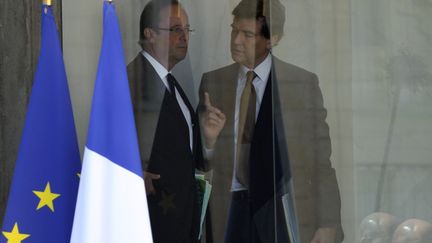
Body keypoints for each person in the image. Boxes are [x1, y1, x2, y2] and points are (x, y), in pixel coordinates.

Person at [198, 0, 343, 242]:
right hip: (227, 212)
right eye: (234, 30)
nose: (236, 41)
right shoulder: (213, 82)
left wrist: (328, 223)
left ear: (272, 39)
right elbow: (198, 164)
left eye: (247, 34)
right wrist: (209, 143)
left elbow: (321, 161)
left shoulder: (300, 85)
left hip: (281, 212)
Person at [127, 1, 207, 242]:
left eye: (187, 30)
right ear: (149, 34)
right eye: (175, 29)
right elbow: (108, 144)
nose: (184, 37)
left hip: (183, 223)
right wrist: (131, 173)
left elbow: (185, 156)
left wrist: (209, 140)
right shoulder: (130, 82)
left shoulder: (172, 86)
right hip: (151, 224)